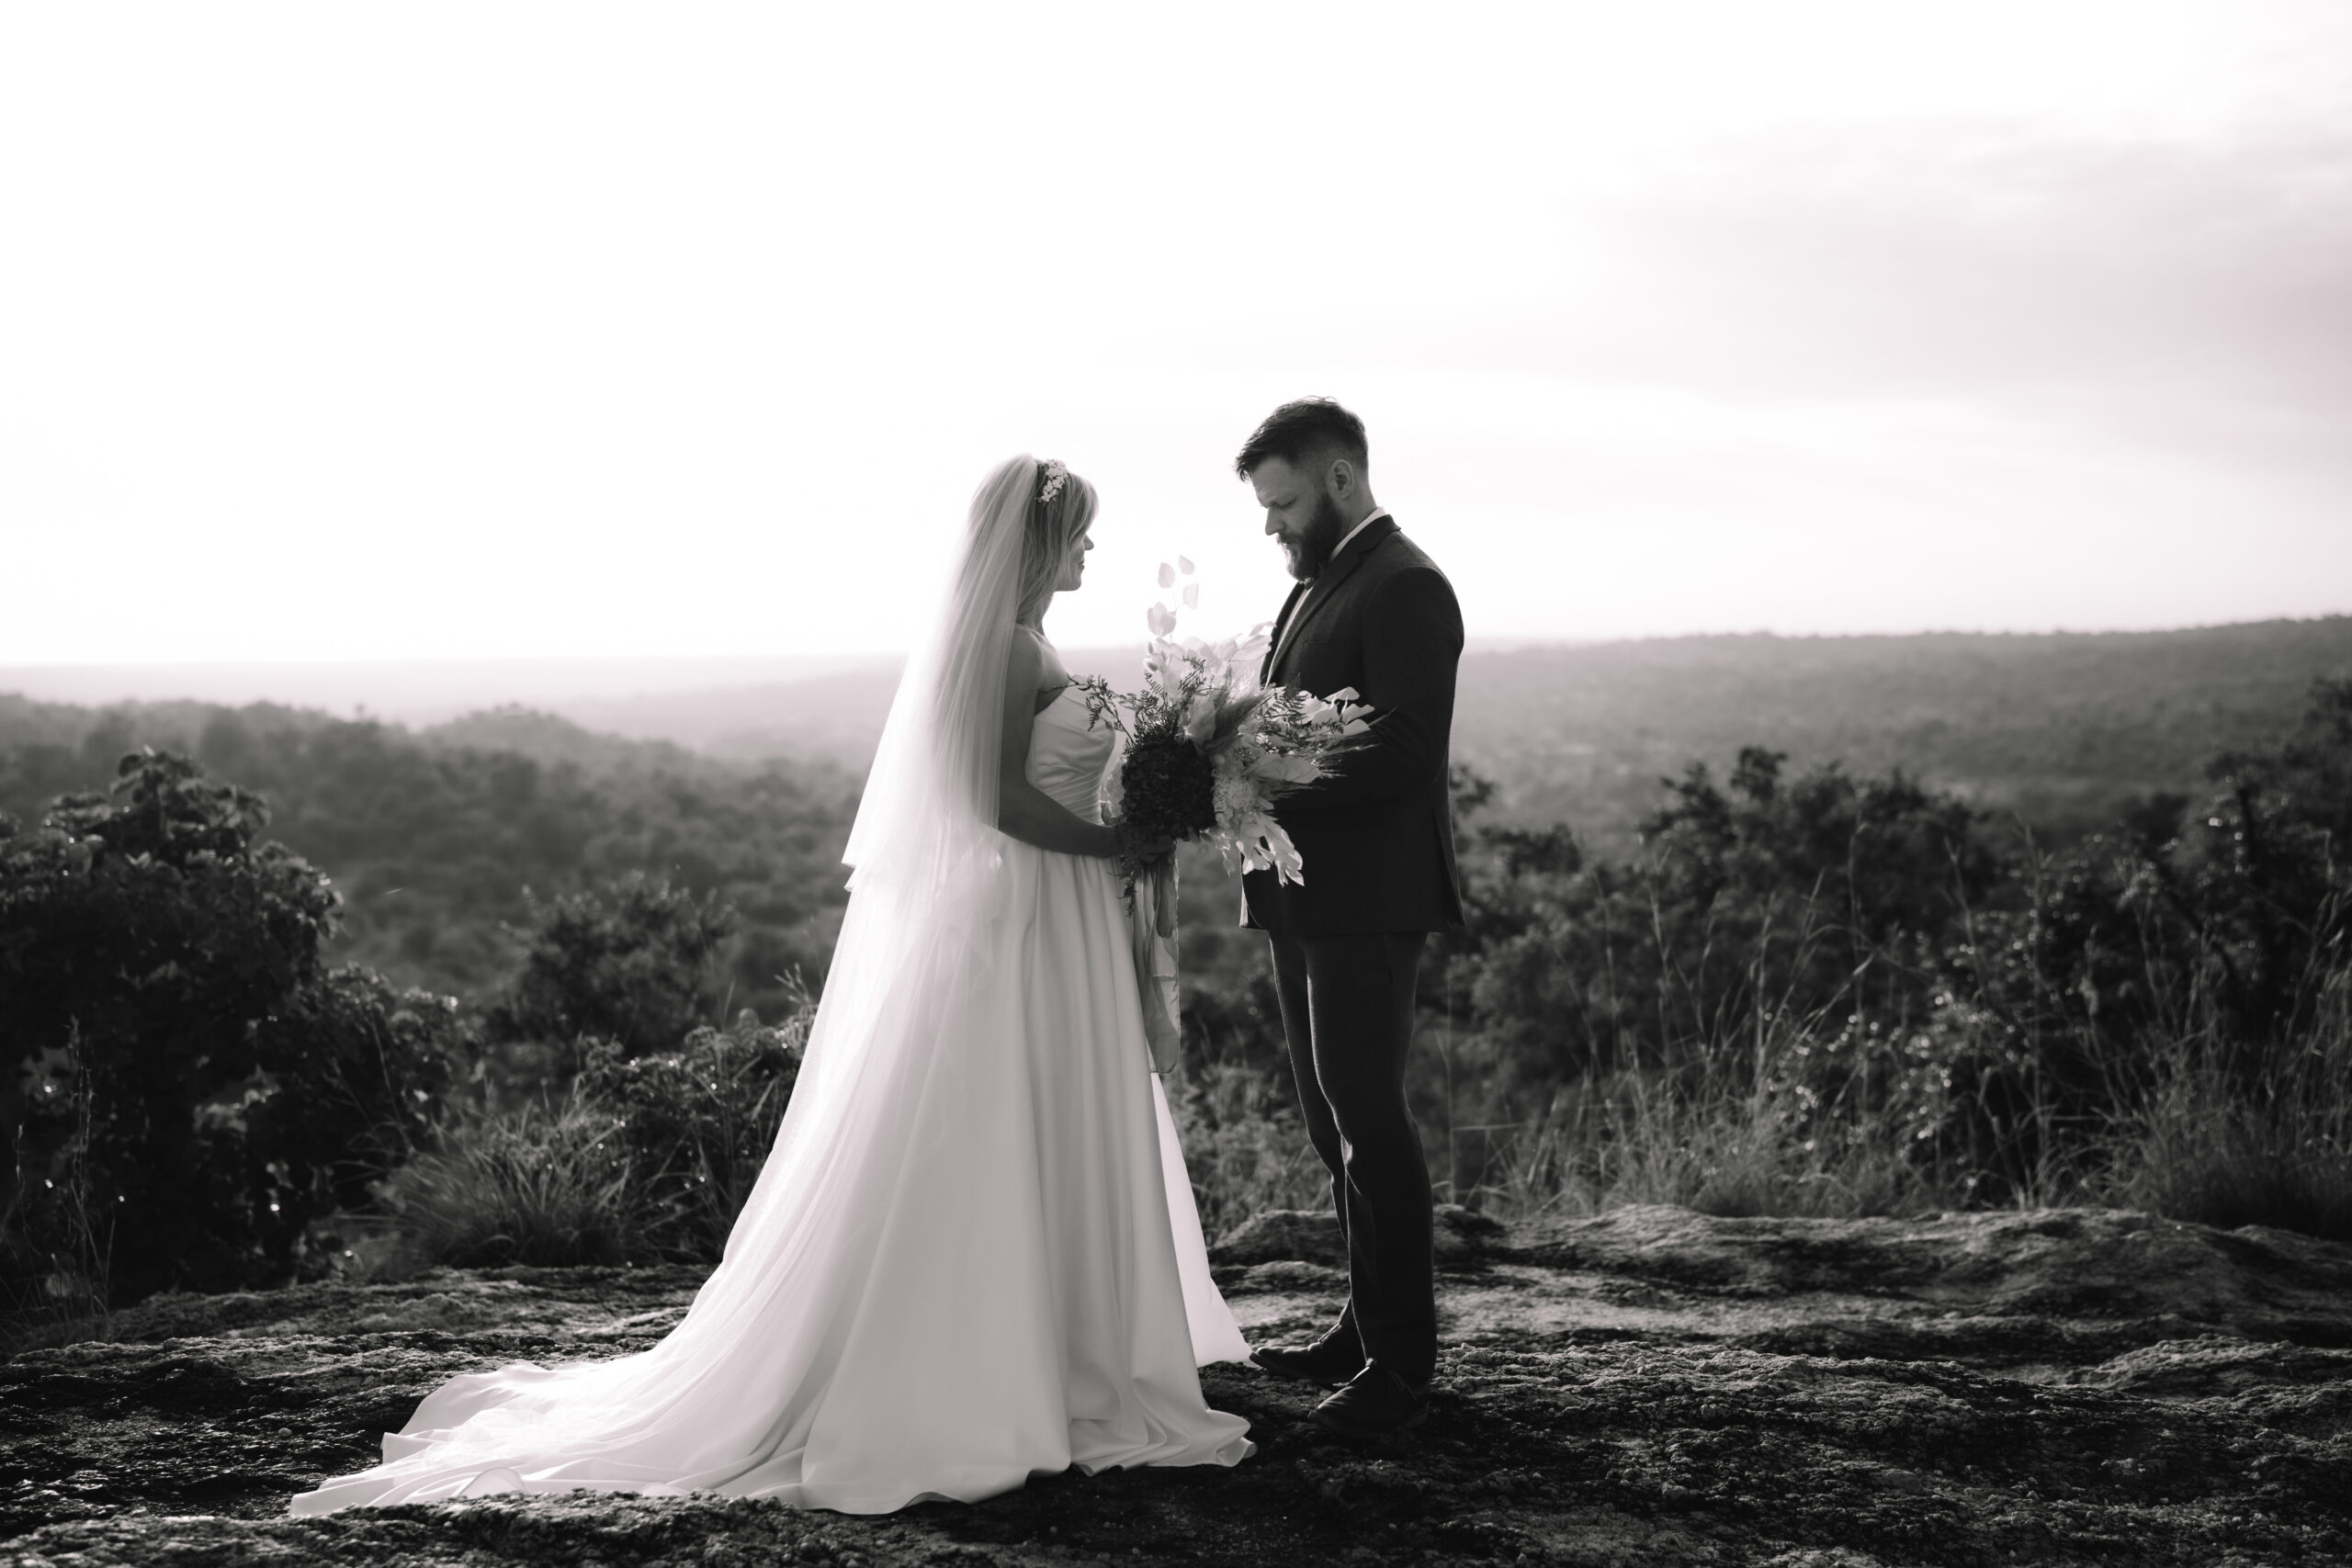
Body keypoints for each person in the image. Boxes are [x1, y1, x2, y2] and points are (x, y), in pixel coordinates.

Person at [289, 457, 1253, 1516]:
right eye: (1079, 535)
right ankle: (995, 1361)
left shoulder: (1024, 644)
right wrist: (1117, 835)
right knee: (1004, 1117)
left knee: (1035, 1113)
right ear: (1038, 543)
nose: (1089, 551)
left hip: (1055, 907)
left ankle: (1055, 1341)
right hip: (1033, 903)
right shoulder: (1010, 649)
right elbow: (993, 802)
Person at [1235, 399, 1465, 1439]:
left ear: (1337, 480)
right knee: (1333, 1127)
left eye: (1282, 502)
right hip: (1303, 895)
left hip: (1370, 898)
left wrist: (1263, 771)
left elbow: (1409, 749)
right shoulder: (1322, 582)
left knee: (1369, 1117)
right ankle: (1360, 1321)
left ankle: (1402, 1368)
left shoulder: (1405, 583)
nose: (1271, 524)